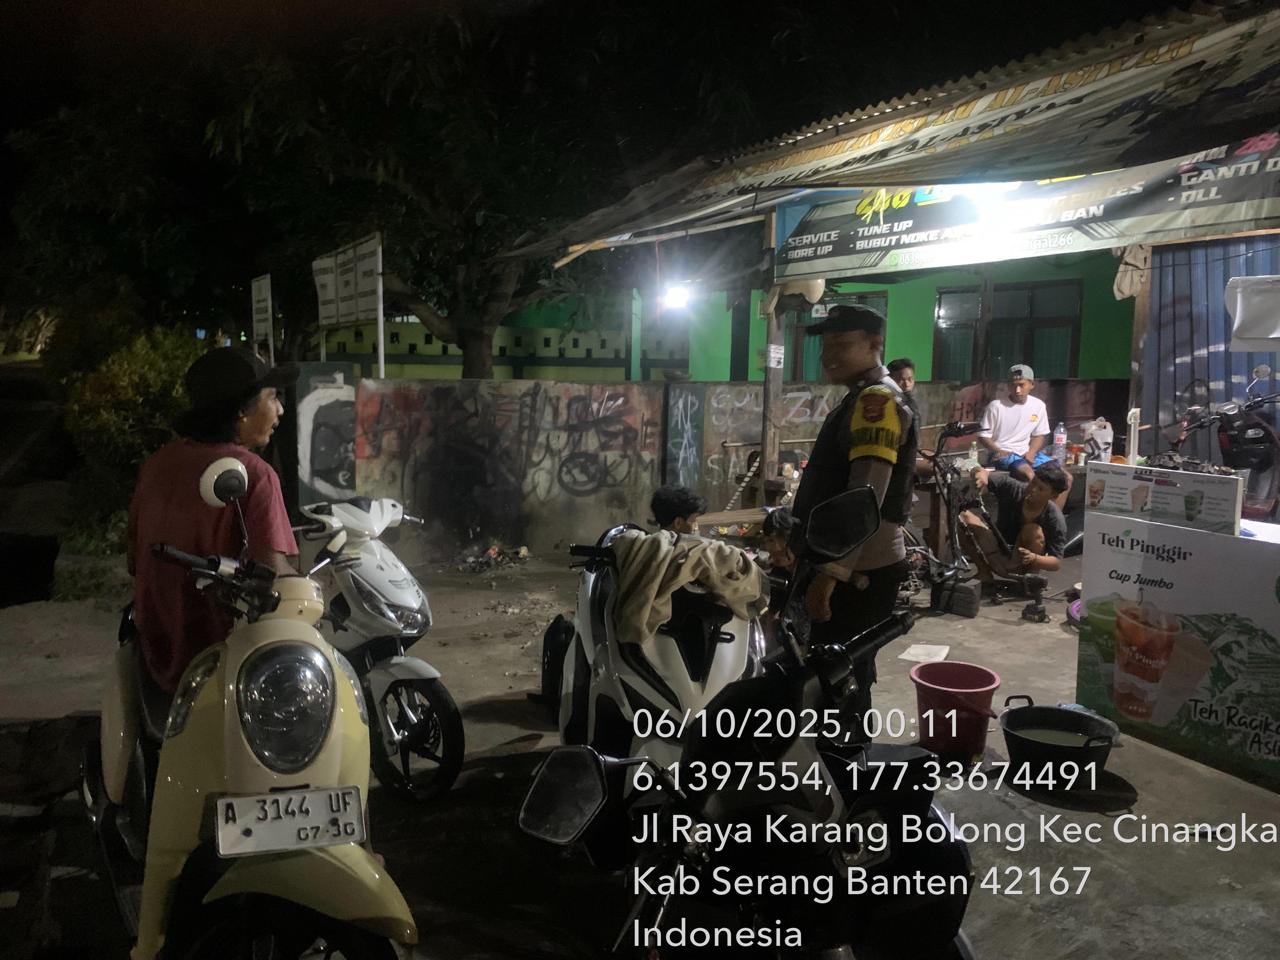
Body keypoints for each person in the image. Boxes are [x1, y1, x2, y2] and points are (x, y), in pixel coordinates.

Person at [127, 347, 300, 691]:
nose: (280, 409)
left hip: (156, 654)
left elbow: (134, 560)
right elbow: (276, 579)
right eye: (272, 397)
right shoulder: (255, 474)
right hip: (224, 661)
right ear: (242, 410)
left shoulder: (158, 464)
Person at [788, 304, 916, 740]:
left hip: (860, 571)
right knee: (843, 672)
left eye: (841, 345)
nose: (829, 356)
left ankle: (845, 761)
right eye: (825, 347)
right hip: (854, 566)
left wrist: (831, 574)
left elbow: (866, 496)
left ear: (875, 344)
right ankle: (843, 757)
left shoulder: (876, 401)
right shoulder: (861, 397)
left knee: (839, 675)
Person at [978, 363, 1072, 507]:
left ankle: (1053, 515)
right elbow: (983, 436)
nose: (1017, 390)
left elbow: (1039, 435)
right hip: (1003, 454)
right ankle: (1029, 513)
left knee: (1066, 478)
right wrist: (998, 450)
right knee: (1030, 475)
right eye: (1013, 385)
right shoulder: (996, 406)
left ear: (1031, 385)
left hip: (1026, 452)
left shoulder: (1038, 406)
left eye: (1021, 385)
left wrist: (1032, 452)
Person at [964, 461, 1068, 582]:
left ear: (1053, 495)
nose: (1033, 489)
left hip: (1023, 563)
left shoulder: (1055, 518)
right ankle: (984, 572)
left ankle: (1029, 582)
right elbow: (981, 471)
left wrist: (1034, 558)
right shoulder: (1013, 488)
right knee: (964, 515)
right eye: (1033, 483)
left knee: (1032, 530)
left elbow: (1056, 563)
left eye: (1040, 489)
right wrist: (980, 474)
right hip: (996, 550)